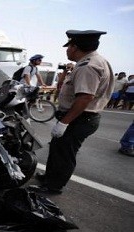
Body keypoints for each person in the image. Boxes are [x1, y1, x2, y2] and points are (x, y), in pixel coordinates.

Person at [32, 30, 114, 194]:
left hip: (79, 118)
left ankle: (53, 186)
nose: (67, 50)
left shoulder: (88, 66)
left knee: (64, 153)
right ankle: (50, 177)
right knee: (58, 149)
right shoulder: (93, 61)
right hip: (79, 117)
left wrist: (63, 123)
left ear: (75, 47)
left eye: (68, 46)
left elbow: (84, 98)